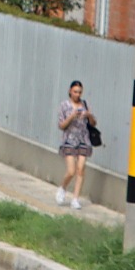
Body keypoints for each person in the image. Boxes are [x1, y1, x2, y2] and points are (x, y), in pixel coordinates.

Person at [55, 79, 94, 209]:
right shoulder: (64, 105)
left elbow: (93, 124)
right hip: (69, 140)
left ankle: (75, 199)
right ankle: (63, 188)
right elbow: (61, 125)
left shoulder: (85, 104)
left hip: (84, 140)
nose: (77, 94)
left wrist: (89, 115)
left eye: (79, 92)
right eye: (75, 92)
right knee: (71, 171)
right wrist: (72, 116)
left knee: (80, 170)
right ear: (70, 92)